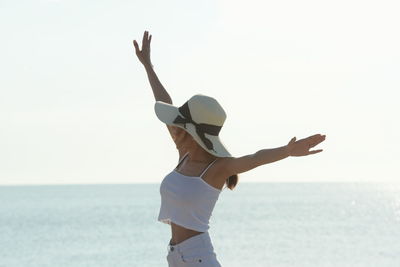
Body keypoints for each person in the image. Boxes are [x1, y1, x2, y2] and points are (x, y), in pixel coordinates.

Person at [133, 30, 326, 267]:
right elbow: (165, 103)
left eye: (181, 125)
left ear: (192, 132)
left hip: (198, 258)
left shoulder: (217, 168)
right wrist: (148, 66)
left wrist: (287, 151)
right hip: (176, 257)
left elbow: (254, 159)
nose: (175, 128)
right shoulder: (184, 154)